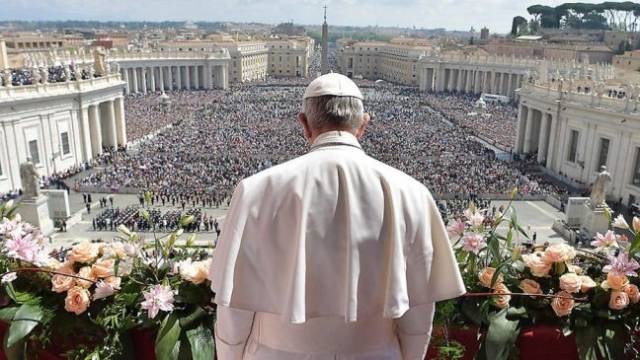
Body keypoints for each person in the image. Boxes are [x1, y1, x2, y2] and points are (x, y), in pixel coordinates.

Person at [210, 74, 465, 360]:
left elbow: (234, 307)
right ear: (363, 125)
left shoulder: (255, 190)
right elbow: (418, 310)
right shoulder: (412, 193)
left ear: (304, 125)